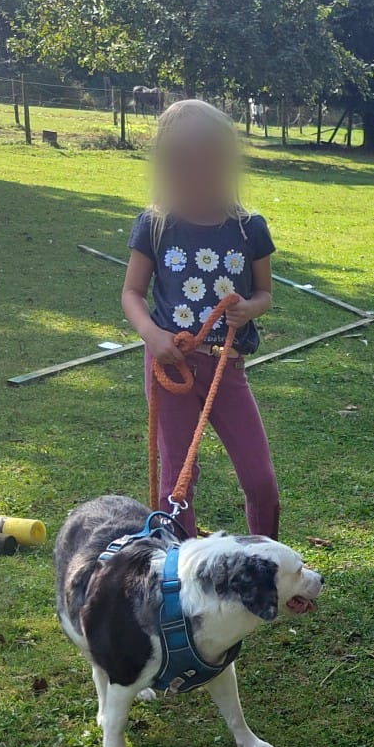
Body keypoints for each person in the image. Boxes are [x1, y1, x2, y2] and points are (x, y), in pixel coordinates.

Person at [121, 100, 280, 538]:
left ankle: (267, 563)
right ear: (170, 165)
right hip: (170, 364)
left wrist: (249, 308)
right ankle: (181, 574)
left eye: (208, 161)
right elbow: (131, 293)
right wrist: (153, 336)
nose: (198, 173)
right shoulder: (156, 225)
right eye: (186, 163)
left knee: (260, 478)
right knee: (177, 482)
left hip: (226, 368)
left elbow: (264, 292)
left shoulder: (249, 229)